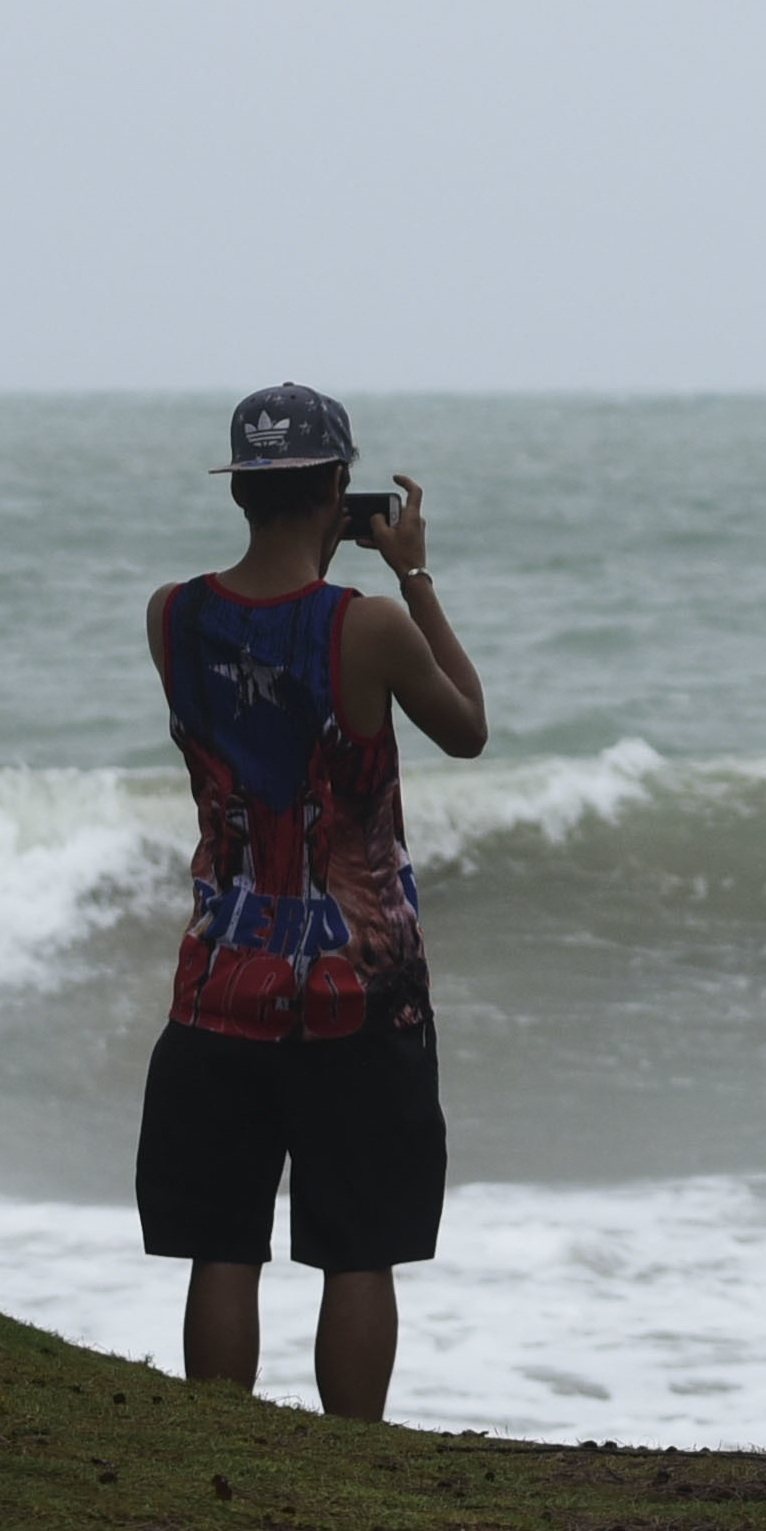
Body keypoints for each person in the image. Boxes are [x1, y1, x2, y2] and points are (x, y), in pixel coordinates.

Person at [137, 382, 486, 1416]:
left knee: (223, 1246)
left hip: (221, 977)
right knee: (358, 1247)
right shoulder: (368, 626)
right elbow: (466, 725)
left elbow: (259, 690)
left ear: (241, 488)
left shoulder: (173, 616)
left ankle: (219, 1444)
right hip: (358, 986)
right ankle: (352, 1458)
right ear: (340, 491)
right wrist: (413, 573)